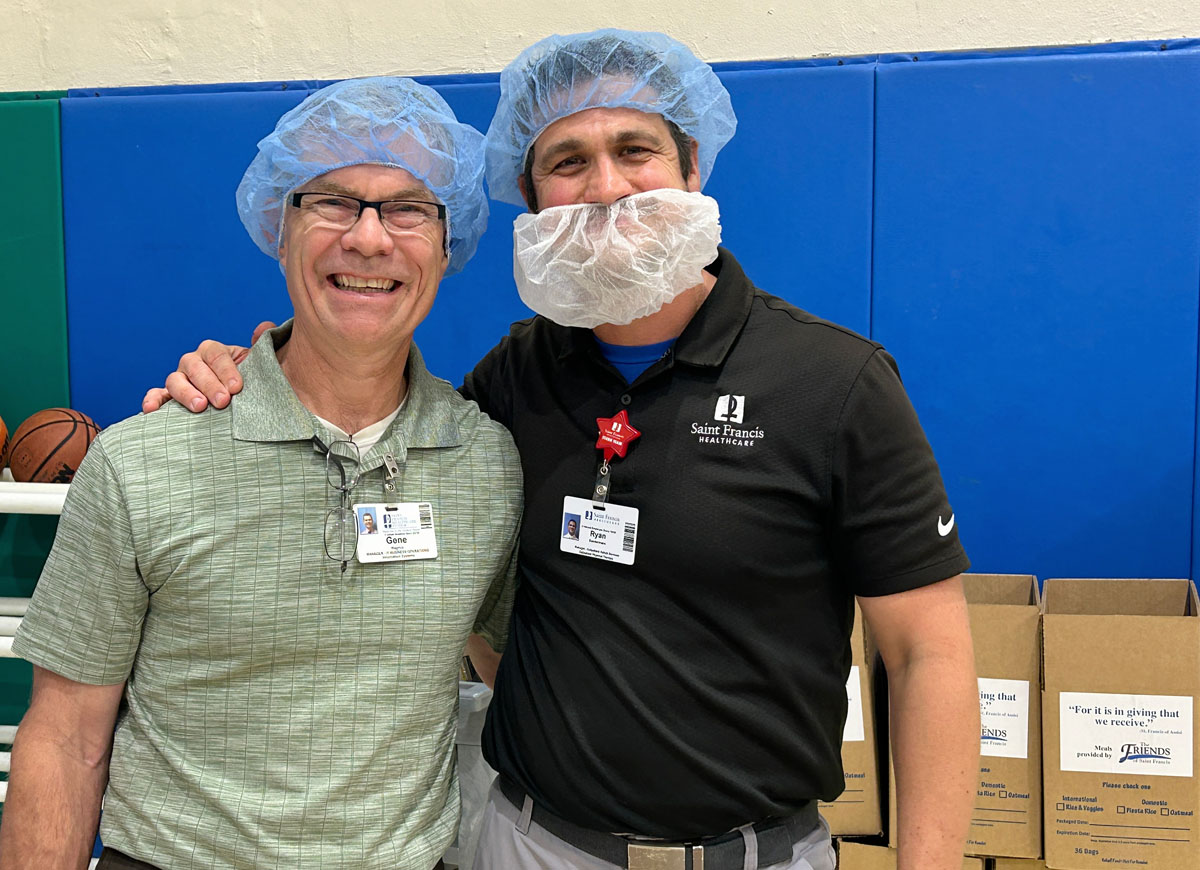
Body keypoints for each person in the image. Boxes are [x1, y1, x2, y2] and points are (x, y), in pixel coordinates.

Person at [146, 29, 979, 870]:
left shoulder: (831, 383)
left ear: (693, 168)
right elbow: (370, 416)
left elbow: (928, 655)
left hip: (753, 851)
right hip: (529, 842)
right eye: (568, 160)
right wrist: (248, 368)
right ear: (531, 194)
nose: (607, 186)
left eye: (635, 149)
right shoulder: (518, 375)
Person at [0, 77, 522, 870]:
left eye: (409, 207)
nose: (370, 239)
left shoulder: (486, 463)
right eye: (332, 202)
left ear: (449, 246)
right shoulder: (145, 460)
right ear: (281, 227)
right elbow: (65, 739)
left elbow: (517, 675)